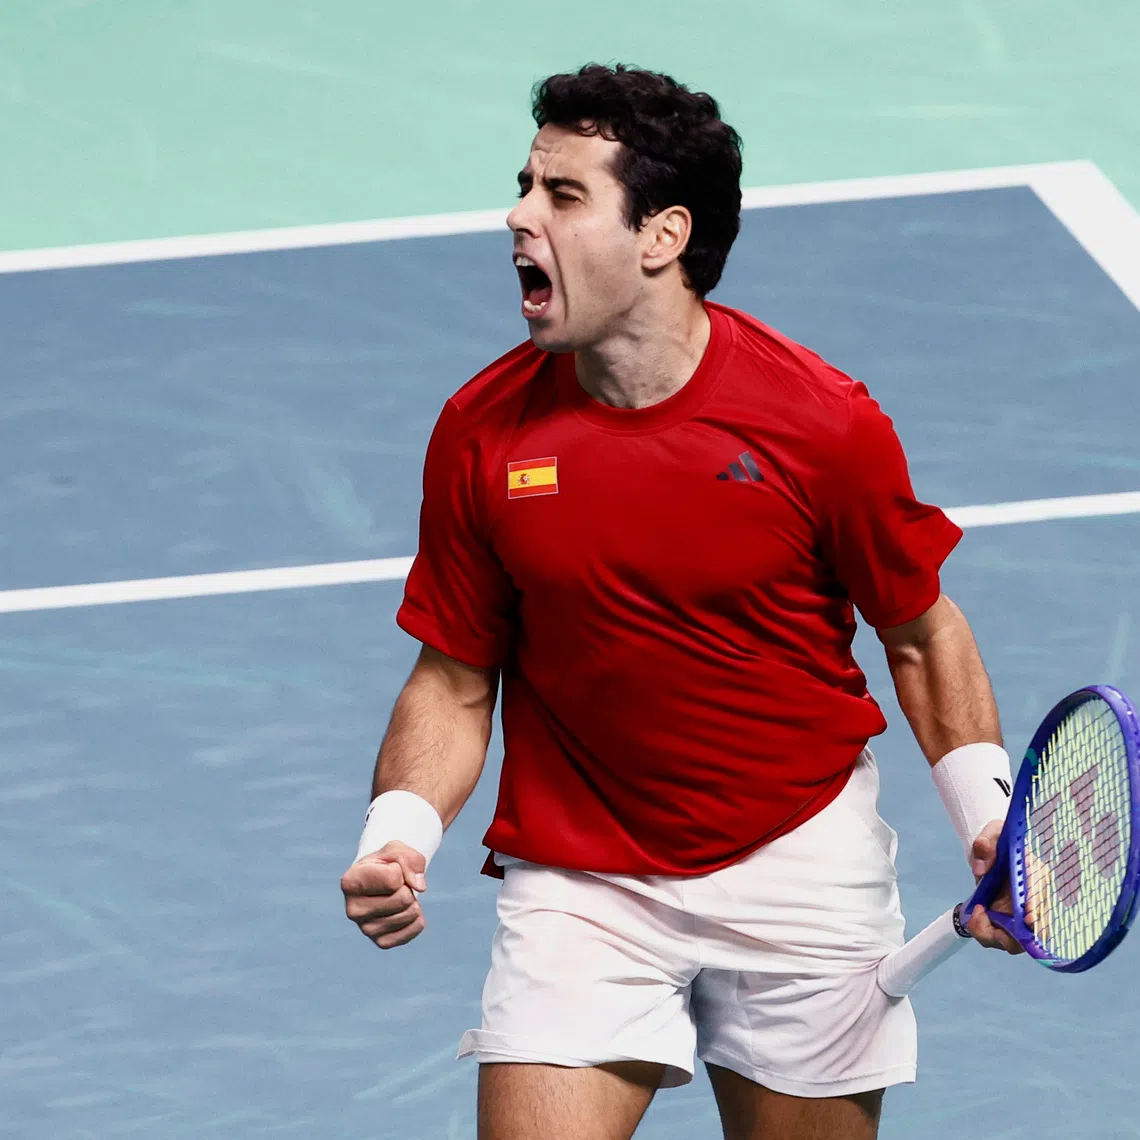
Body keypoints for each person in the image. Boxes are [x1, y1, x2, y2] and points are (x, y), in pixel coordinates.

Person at [341, 64, 1020, 1140]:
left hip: (800, 858)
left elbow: (921, 633)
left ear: (660, 236)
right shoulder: (480, 432)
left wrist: (990, 821)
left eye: (561, 196)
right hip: (583, 882)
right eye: (525, 185)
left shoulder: (820, 423)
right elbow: (456, 678)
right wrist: (399, 834)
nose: (518, 215)